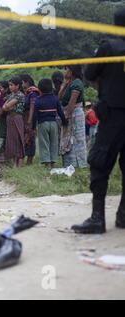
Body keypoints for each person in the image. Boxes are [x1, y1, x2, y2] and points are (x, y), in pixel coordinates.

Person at [72, 8, 125, 234]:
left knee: (100, 163)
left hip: (113, 114)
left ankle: (97, 218)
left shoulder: (108, 47)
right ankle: (123, 215)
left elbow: (90, 73)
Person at [33, 79, 68, 168]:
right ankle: (53, 163)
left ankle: (46, 163)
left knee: (44, 143)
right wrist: (64, 122)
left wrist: (33, 127)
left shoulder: (37, 100)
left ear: (39, 89)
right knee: (54, 142)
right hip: (53, 123)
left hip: (42, 124)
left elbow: (35, 115)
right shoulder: (55, 99)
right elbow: (60, 112)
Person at [58, 65, 88, 168]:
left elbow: (72, 102)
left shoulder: (77, 83)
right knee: (68, 139)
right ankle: (69, 164)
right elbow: (59, 97)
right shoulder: (70, 83)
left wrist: (66, 116)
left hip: (74, 114)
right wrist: (65, 84)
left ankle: (78, 165)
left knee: (75, 139)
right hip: (69, 113)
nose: (64, 71)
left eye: (66, 69)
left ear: (72, 71)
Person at [3, 77, 26, 167]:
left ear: (18, 86)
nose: (10, 87)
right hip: (10, 118)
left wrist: (8, 106)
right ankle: (13, 164)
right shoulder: (11, 95)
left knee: (18, 139)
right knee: (11, 140)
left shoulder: (19, 95)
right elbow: (4, 107)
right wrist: (8, 107)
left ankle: (19, 165)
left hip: (16, 118)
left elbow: (7, 105)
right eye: (9, 85)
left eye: (12, 85)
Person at [21, 74, 40, 166]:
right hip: (26, 117)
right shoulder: (27, 93)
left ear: (27, 82)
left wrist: (29, 120)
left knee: (30, 137)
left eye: (22, 82)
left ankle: (29, 161)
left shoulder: (33, 93)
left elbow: (32, 107)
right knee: (26, 138)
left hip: (30, 117)